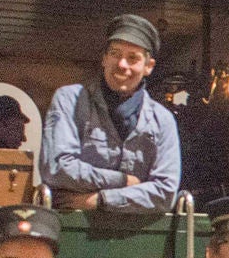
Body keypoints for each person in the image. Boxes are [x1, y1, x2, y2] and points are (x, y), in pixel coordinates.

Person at [40, 13, 181, 215]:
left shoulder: (163, 120)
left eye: (133, 58)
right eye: (115, 53)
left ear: (148, 67)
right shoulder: (70, 100)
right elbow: (57, 168)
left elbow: (165, 192)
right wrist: (124, 181)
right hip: (73, 230)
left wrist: (100, 200)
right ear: (104, 58)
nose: (122, 64)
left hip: (137, 238)